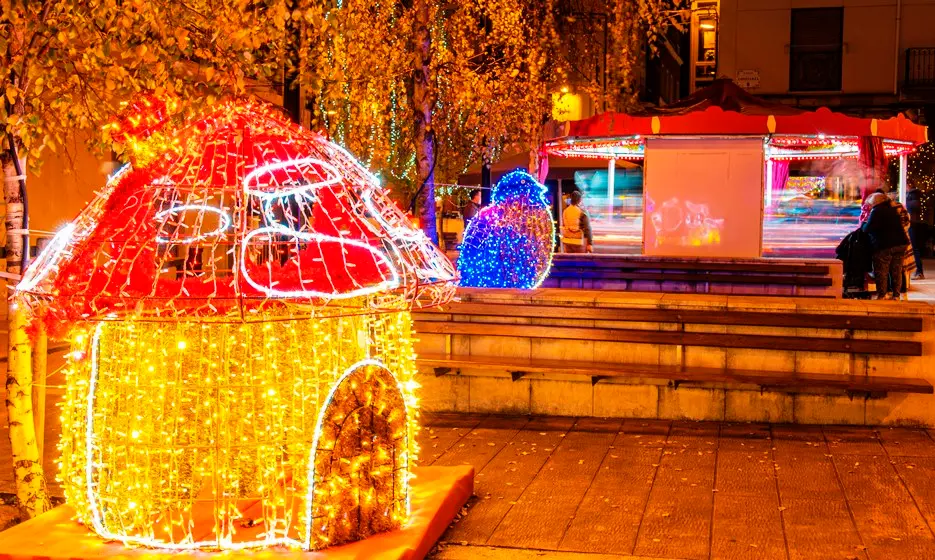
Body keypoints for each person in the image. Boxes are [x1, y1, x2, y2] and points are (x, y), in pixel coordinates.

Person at [862, 192, 911, 300]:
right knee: (896, 270)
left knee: (881, 271)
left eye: (870, 204)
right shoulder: (893, 209)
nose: (870, 206)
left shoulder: (877, 211)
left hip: (885, 245)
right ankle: (896, 295)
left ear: (875, 202)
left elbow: (867, 228)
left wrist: (863, 224)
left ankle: (882, 295)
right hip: (900, 243)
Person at [907, 184, 926, 279]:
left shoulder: (913, 196)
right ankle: (918, 271)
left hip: (912, 225)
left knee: (914, 248)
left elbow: (913, 207)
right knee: (914, 248)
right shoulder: (912, 195)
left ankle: (919, 271)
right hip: (913, 224)